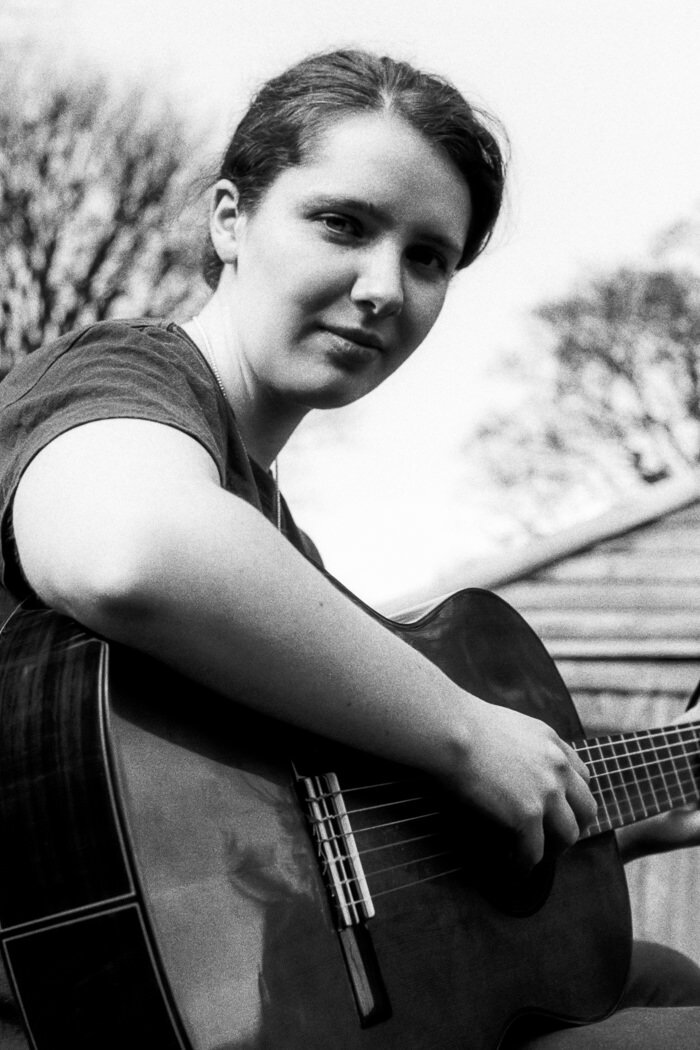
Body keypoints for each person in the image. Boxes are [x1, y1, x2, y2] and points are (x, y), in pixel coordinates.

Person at [0, 47, 699, 1049]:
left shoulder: (273, 543)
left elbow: (380, 850)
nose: (384, 287)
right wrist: (466, 729)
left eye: (428, 257)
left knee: (656, 977)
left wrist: (632, 806)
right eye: (342, 223)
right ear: (229, 218)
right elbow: (126, 549)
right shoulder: (122, 377)